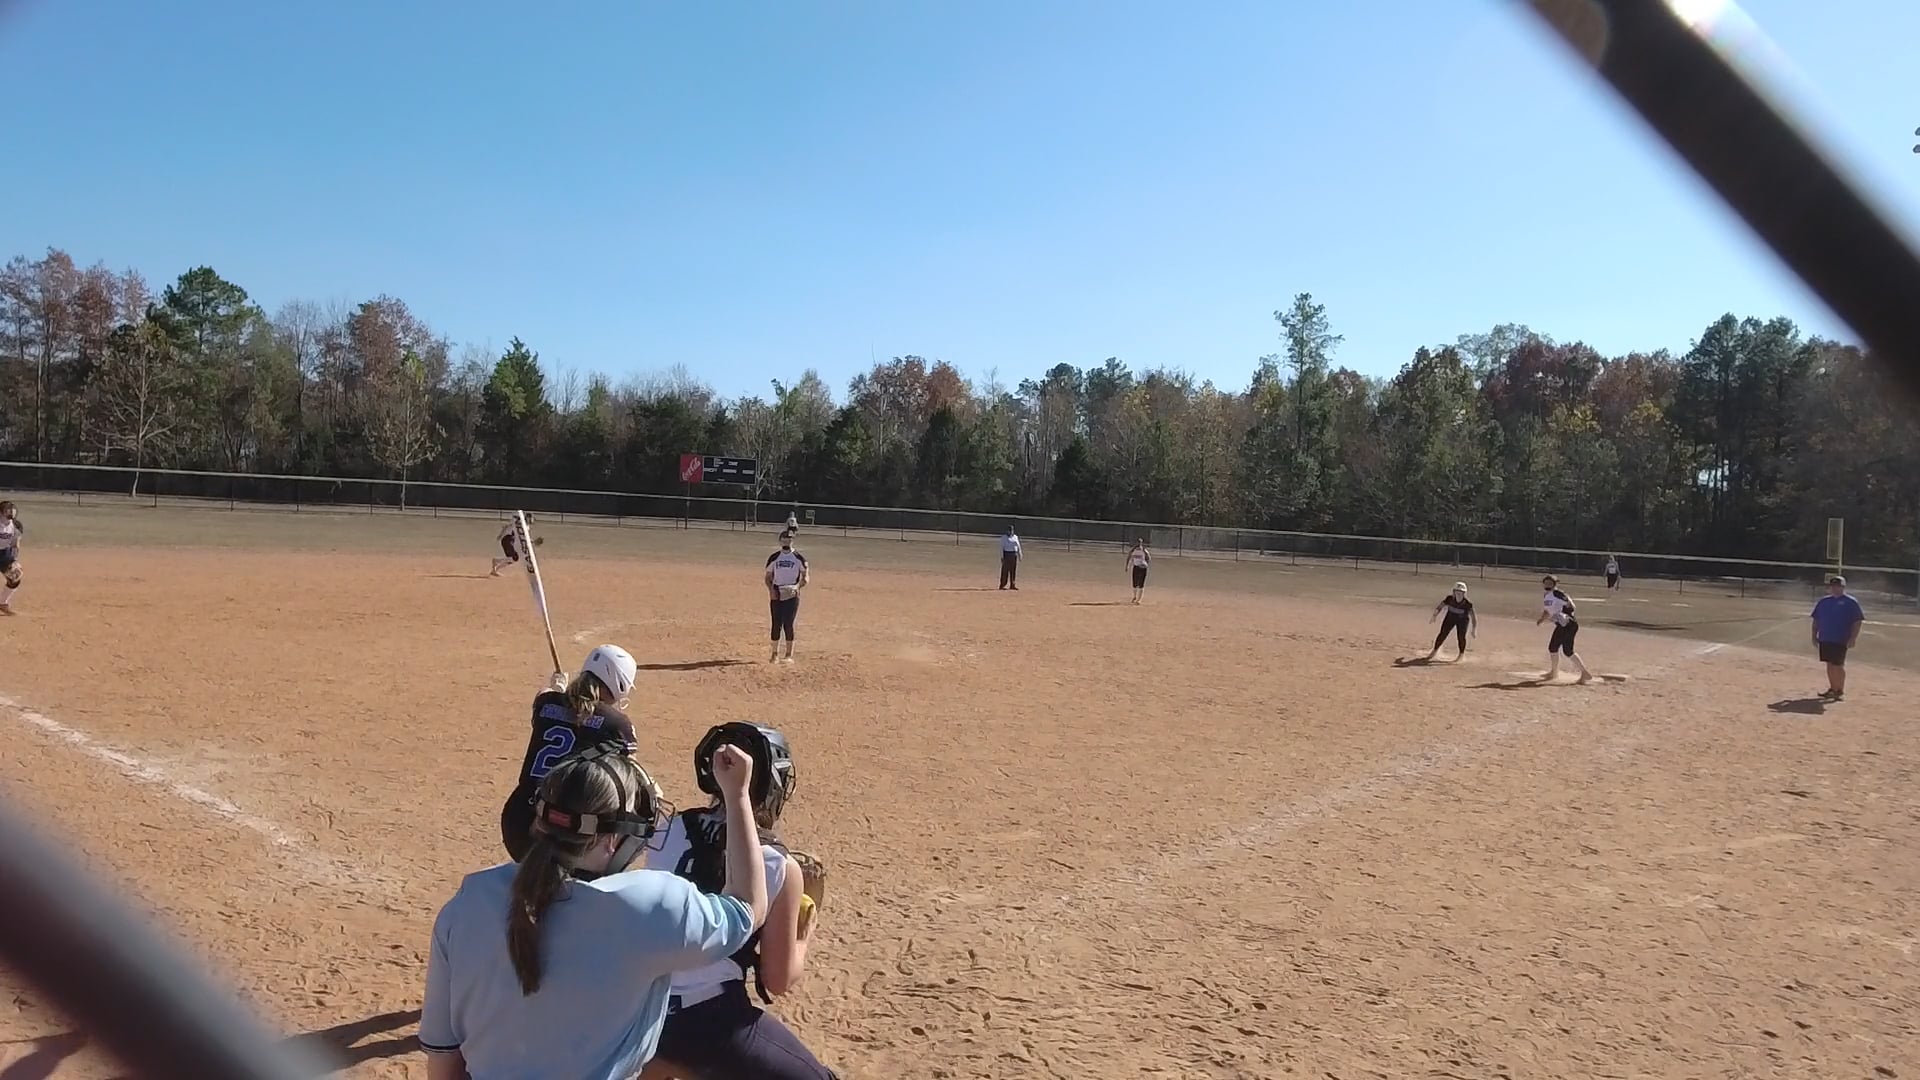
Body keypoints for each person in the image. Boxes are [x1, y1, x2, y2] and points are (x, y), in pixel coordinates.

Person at [421, 741, 771, 1080]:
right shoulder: (651, 907)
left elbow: (444, 1061)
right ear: (613, 841)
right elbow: (748, 907)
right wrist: (737, 795)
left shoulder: (470, 901)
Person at [642, 723, 838, 1080]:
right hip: (711, 1023)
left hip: (641, 1015)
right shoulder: (779, 863)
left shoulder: (667, 830)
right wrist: (803, 938)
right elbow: (777, 979)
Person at [501, 645, 640, 862]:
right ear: (620, 685)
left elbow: (549, 700)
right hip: (565, 832)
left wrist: (558, 687)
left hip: (517, 821)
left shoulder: (544, 703)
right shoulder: (617, 725)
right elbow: (630, 779)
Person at [1811, 574, 1865, 701]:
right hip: (1825, 637)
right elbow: (1816, 620)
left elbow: (1857, 621)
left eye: (1838, 586)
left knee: (1838, 665)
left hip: (1840, 638)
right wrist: (1814, 635)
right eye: (1833, 586)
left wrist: (1853, 638)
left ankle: (1839, 689)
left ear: (1843, 587)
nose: (1835, 588)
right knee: (1829, 664)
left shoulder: (1850, 602)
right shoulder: (1824, 601)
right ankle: (1832, 688)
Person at [1535, 574, 1592, 684]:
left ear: (1554, 584)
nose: (1547, 585)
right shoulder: (1547, 595)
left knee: (1560, 649)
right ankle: (1556, 672)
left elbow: (1572, 606)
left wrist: (1566, 613)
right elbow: (1547, 611)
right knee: (1559, 649)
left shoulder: (1557, 593)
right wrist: (1542, 619)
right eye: (1546, 583)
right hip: (1563, 625)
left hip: (1568, 624)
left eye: (1550, 583)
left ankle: (1580, 673)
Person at [765, 530, 809, 664]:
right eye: (784, 539)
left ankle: (789, 655)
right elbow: (768, 577)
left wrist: (797, 587)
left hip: (792, 594)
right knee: (776, 623)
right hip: (777, 592)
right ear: (780, 541)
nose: (787, 541)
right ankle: (774, 654)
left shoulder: (799, 558)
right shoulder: (774, 557)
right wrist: (771, 590)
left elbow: (805, 577)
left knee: (788, 624)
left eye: (789, 539)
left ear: (792, 541)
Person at [1425, 582, 1476, 661]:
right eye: (1457, 592)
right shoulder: (1449, 599)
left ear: (1464, 593)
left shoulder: (1468, 604)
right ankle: (1434, 651)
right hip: (1450, 618)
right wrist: (1434, 615)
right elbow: (1440, 607)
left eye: (1461, 592)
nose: (1459, 594)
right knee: (1442, 634)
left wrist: (1473, 630)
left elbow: (1473, 618)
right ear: (1454, 592)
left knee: (1461, 637)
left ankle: (1461, 655)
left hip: (1462, 621)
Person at [0, 501, 23, 616]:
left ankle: (3, 603)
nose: (10, 512)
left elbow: (15, 543)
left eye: (11, 510)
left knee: (15, 576)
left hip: (4, 553)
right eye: (7, 510)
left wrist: (14, 559)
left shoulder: (16, 525)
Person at [1125, 539, 1150, 604]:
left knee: (1141, 584)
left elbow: (1148, 557)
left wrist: (1146, 564)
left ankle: (1139, 599)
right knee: (1134, 583)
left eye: (1140, 543)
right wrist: (1127, 566)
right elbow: (1128, 557)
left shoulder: (1143, 550)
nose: (1138, 544)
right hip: (1136, 567)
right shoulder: (1133, 550)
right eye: (1137, 543)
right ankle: (1134, 597)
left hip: (1143, 568)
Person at [999, 526, 1022, 591]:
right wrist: (1002, 557)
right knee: (1005, 571)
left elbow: (1018, 546)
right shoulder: (1003, 538)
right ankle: (1002, 585)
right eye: (1009, 531)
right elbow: (1001, 548)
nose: (1011, 532)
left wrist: (1020, 554)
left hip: (1014, 555)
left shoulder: (1015, 537)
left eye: (1012, 530)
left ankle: (1012, 584)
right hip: (1006, 554)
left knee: (1013, 570)